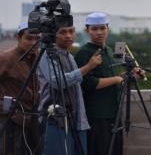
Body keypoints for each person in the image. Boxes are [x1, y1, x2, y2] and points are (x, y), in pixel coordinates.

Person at [37, 25, 102, 155]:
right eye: (63, 32)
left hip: (76, 119)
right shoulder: (47, 55)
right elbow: (58, 82)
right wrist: (88, 67)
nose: (68, 36)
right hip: (57, 121)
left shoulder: (70, 56)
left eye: (71, 31)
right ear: (53, 36)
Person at [74, 12, 125, 155]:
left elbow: (114, 75)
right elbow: (89, 83)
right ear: (87, 30)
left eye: (102, 28)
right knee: (101, 150)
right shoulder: (84, 53)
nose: (99, 32)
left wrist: (129, 75)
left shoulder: (109, 50)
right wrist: (116, 79)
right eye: (94, 29)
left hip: (114, 111)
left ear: (108, 28)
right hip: (97, 114)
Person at [0, 23, 41, 155]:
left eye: (37, 39)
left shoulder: (39, 58)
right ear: (19, 38)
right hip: (10, 120)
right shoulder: (6, 58)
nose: (33, 42)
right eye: (29, 38)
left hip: (33, 121)